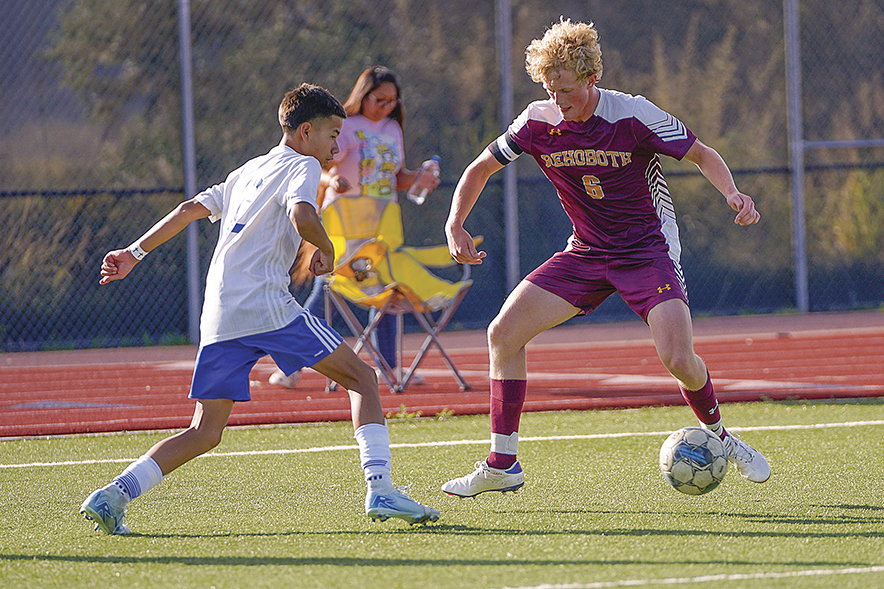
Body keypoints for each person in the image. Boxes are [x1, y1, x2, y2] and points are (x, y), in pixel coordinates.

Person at [79, 83, 439, 534]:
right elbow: (304, 214)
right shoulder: (304, 164)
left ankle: (113, 494)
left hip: (221, 310)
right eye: (332, 133)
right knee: (362, 378)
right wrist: (324, 247)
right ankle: (382, 488)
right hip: (266, 304)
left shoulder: (247, 170)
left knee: (205, 432)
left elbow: (191, 208)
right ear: (305, 131)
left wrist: (134, 253)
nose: (337, 144)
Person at [441, 19, 771, 497]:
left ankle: (723, 437)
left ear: (591, 78)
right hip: (587, 252)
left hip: (647, 251)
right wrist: (454, 224)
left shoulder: (632, 114)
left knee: (678, 358)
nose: (559, 100)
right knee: (502, 333)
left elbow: (702, 153)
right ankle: (502, 463)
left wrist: (733, 194)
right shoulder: (537, 121)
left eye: (567, 90)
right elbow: (479, 168)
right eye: (551, 89)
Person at [269, 66, 439, 389]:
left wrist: (420, 178)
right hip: (343, 222)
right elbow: (317, 168)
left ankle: (390, 368)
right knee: (326, 293)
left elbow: (397, 177)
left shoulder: (392, 128)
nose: (387, 106)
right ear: (364, 95)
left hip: (380, 223)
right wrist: (332, 179)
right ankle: (292, 366)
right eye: (380, 99)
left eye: (393, 100)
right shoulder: (345, 126)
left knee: (386, 290)